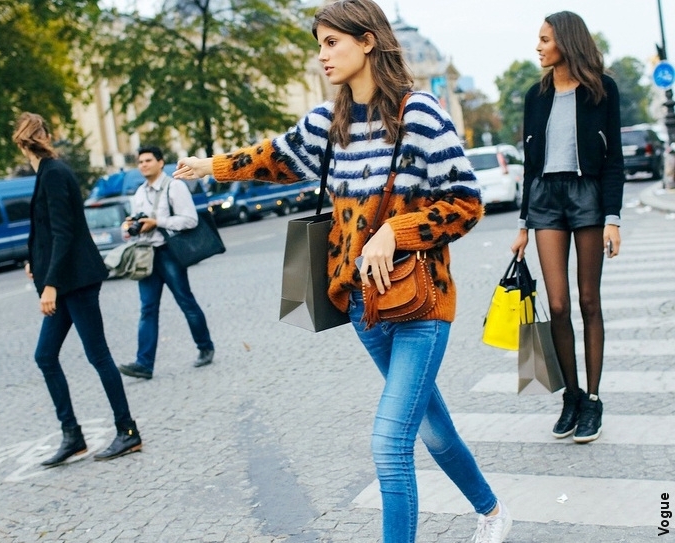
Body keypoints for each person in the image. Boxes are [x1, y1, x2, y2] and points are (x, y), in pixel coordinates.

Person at [174, 1, 510, 541]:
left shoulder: (417, 113)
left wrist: (392, 232)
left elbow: (466, 203)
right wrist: (209, 168)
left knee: (389, 441)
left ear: (368, 41)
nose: (322, 54)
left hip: (419, 300)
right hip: (360, 304)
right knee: (430, 427)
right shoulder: (328, 125)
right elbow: (274, 156)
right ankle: (493, 512)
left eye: (332, 42)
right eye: (319, 43)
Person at [511, 11, 624, 444]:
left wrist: (613, 218)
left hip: (588, 197)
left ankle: (593, 400)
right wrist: (523, 224)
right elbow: (529, 162)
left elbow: (614, 160)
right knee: (557, 305)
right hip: (544, 199)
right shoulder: (534, 95)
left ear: (567, 42)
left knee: (589, 301)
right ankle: (571, 396)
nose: (538, 47)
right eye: (538, 39)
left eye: (544, 39)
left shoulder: (602, 90)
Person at [13, 112, 142, 466]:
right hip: (66, 281)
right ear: (46, 136)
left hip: (75, 282)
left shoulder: (54, 173)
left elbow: (64, 231)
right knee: (45, 355)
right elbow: (47, 230)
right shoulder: (48, 172)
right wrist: (36, 265)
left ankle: (127, 431)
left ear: (22, 143)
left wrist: (50, 284)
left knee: (97, 355)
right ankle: (73, 435)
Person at [117, 144, 215, 381]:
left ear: (160, 162)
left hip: (170, 253)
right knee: (147, 309)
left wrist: (158, 222)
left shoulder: (175, 187)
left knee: (185, 301)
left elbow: (190, 220)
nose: (143, 165)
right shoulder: (139, 193)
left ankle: (205, 347)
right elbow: (137, 224)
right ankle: (144, 364)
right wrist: (129, 227)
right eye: (140, 162)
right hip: (147, 255)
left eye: (148, 160)